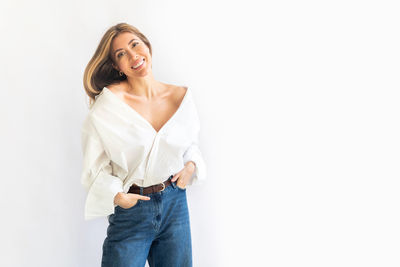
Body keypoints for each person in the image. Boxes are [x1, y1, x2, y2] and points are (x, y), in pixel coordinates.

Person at [80, 22, 207, 267]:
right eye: (121, 54)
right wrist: (117, 196)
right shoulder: (108, 107)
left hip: (175, 204)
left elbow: (190, 144)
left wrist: (191, 166)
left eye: (135, 44)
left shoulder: (181, 97)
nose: (133, 55)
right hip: (133, 209)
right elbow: (95, 165)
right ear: (117, 66)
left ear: (147, 46)